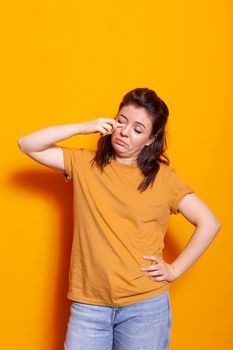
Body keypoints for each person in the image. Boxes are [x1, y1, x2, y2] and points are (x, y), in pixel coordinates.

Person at [17, 87, 221, 350]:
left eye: (138, 129)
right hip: (89, 306)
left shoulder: (164, 178)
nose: (124, 132)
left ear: (150, 139)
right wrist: (84, 126)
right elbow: (27, 144)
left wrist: (174, 270)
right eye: (121, 121)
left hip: (144, 307)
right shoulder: (84, 164)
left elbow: (210, 223)